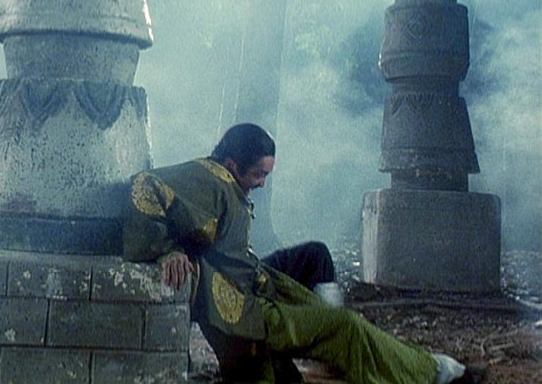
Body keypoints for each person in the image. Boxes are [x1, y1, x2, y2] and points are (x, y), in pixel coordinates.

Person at [122, 123, 482, 384]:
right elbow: (144, 184)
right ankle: (436, 374)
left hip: (253, 286)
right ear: (233, 164)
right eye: (258, 174)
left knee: (333, 309)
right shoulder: (209, 178)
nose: (262, 183)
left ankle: (434, 368)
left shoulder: (222, 181)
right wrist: (165, 251)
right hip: (242, 309)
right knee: (344, 327)